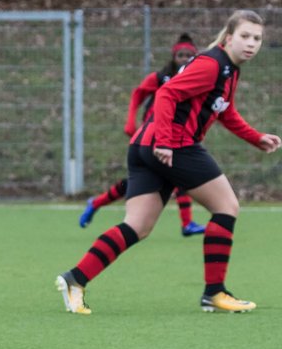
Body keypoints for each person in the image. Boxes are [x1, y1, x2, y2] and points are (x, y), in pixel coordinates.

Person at [56, 10, 280, 315]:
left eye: (257, 38)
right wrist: (164, 141)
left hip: (145, 146)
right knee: (227, 206)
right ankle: (214, 293)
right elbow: (166, 95)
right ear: (229, 38)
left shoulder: (228, 69)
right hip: (173, 145)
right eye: (244, 36)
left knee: (137, 226)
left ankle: (75, 279)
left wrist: (256, 138)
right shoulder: (212, 65)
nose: (251, 43)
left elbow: (225, 111)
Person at [78, 33, 205, 236]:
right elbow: (138, 94)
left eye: (188, 55)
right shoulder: (161, 77)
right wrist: (131, 120)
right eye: (180, 55)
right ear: (173, 57)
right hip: (152, 137)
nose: (184, 59)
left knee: (151, 179)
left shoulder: (196, 78)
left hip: (172, 136)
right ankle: (187, 223)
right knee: (174, 174)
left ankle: (97, 202)